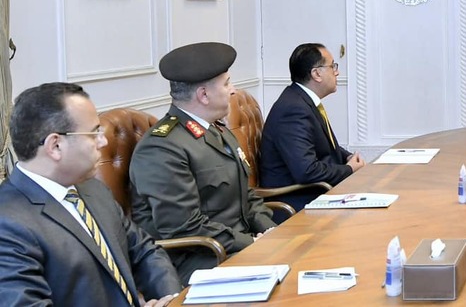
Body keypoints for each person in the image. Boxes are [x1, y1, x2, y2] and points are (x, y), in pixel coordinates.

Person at [0, 83, 179, 306]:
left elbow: (144, 251)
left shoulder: (92, 188)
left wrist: (172, 300)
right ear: (55, 145)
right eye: (94, 133)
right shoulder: (7, 224)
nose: (103, 141)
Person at [129, 42, 276, 284]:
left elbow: (246, 196)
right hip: (198, 259)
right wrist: (251, 243)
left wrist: (271, 231)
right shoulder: (162, 148)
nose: (233, 91)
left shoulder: (217, 130)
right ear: (204, 95)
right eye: (227, 83)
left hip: (235, 247)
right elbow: (184, 228)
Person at [259, 43, 365, 211]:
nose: (337, 72)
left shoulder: (301, 100)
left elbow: (325, 148)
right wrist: (349, 169)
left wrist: (348, 157)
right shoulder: (293, 109)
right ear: (316, 74)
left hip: (315, 192)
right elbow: (307, 171)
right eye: (332, 66)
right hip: (297, 202)